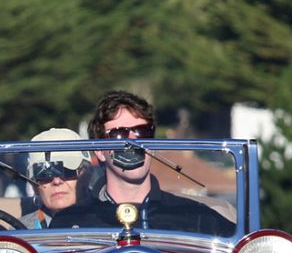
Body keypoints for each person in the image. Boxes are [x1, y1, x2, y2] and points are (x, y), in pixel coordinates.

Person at [62, 89, 234, 235]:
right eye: (119, 134)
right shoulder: (70, 223)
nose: (132, 142)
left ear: (151, 144)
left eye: (141, 132)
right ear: (99, 151)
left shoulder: (198, 218)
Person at [22, 127, 85, 228]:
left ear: (85, 175)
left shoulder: (109, 224)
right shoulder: (19, 232)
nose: (56, 181)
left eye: (67, 171)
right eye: (45, 174)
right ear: (34, 186)